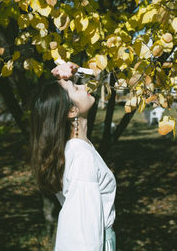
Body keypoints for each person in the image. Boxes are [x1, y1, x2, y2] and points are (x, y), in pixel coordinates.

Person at [29, 62, 116, 251]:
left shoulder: (73, 149)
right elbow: (85, 235)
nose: (85, 87)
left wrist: (78, 71)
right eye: (77, 87)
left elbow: (105, 75)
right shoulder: (81, 157)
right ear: (71, 111)